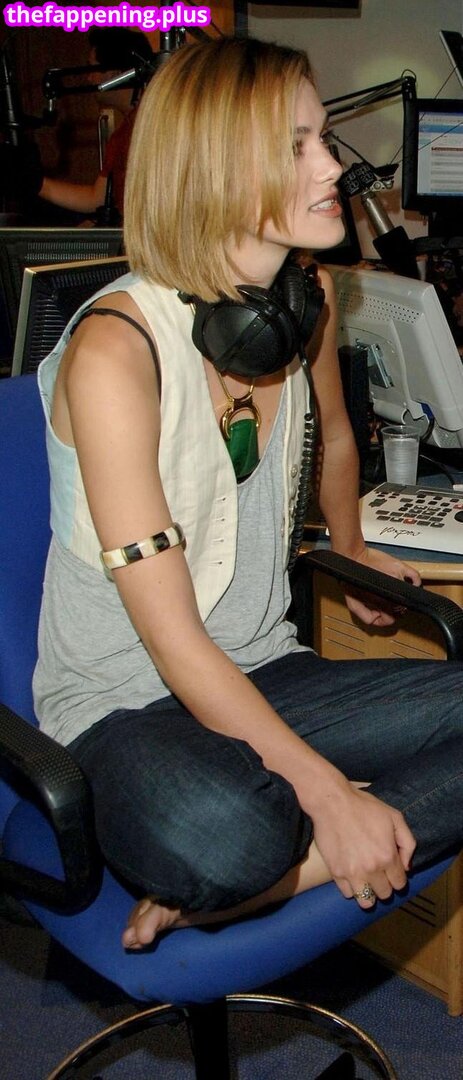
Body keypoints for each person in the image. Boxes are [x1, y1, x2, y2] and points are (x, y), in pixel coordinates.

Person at [33, 35, 463, 952]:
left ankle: (271, 882)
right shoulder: (115, 352)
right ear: (216, 170)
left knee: (254, 841)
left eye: (321, 139)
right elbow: (171, 637)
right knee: (227, 832)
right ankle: (288, 840)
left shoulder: (302, 303)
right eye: (296, 146)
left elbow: (336, 436)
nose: (332, 167)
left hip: (265, 668)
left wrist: (348, 544)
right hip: (127, 705)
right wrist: (324, 792)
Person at [37, 28, 154, 221]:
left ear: (115, 73)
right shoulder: (123, 134)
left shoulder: (156, 125)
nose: (89, 78)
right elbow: (97, 198)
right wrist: (35, 184)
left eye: (93, 68)